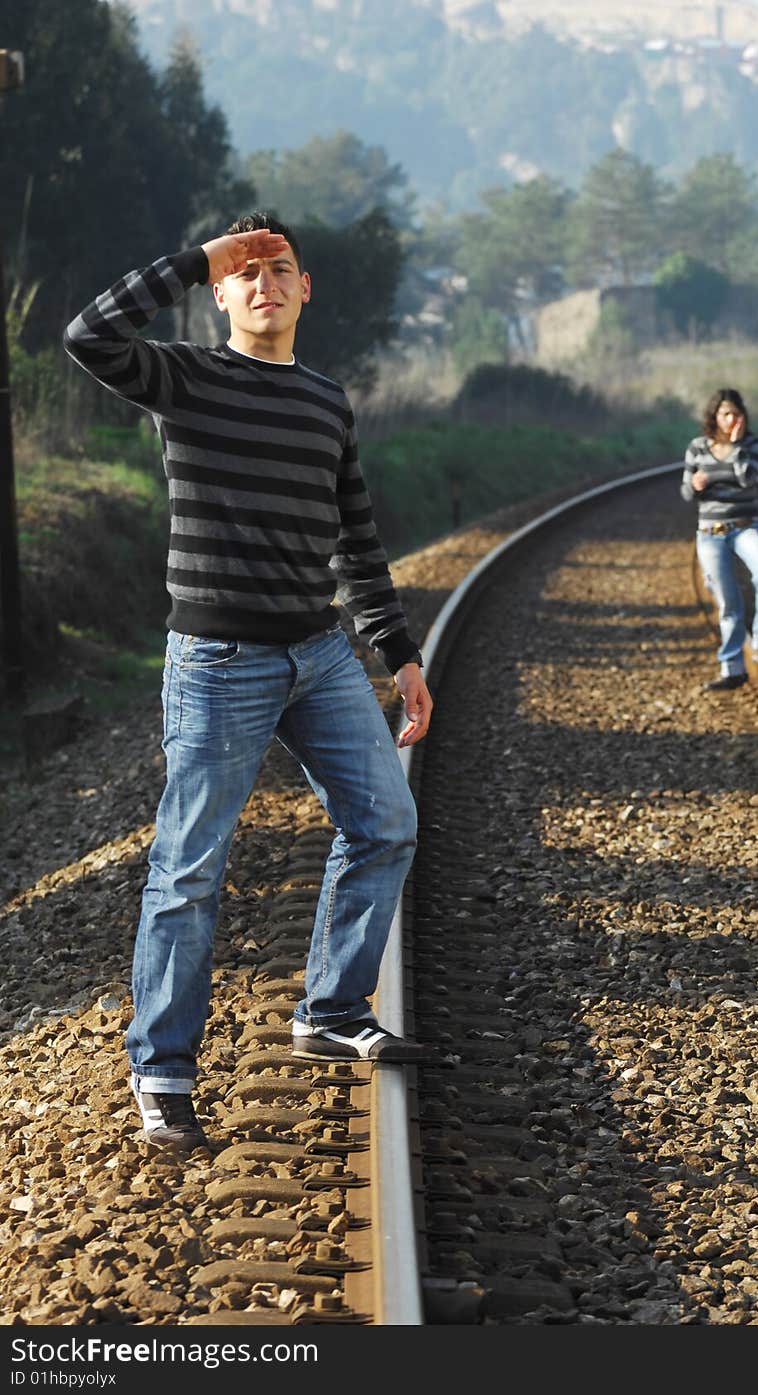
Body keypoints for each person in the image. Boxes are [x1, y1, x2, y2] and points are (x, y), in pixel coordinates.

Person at [64, 212, 436, 1156]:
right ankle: (163, 1072)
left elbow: (355, 539)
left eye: (279, 268)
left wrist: (399, 655)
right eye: (245, 272)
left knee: (386, 820)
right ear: (222, 295)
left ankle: (332, 1006)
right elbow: (88, 335)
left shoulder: (326, 401)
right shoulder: (184, 379)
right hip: (218, 661)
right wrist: (191, 259)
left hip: (318, 655)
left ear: (305, 289)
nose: (264, 281)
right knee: (189, 870)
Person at [681, 387, 758, 692]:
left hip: (746, 527)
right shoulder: (697, 447)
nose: (730, 420)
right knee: (729, 604)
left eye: (736, 414)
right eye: (725, 414)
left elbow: (746, 478)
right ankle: (732, 667)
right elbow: (686, 493)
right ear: (714, 416)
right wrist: (697, 486)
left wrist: (736, 446)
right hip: (710, 533)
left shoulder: (752, 445)